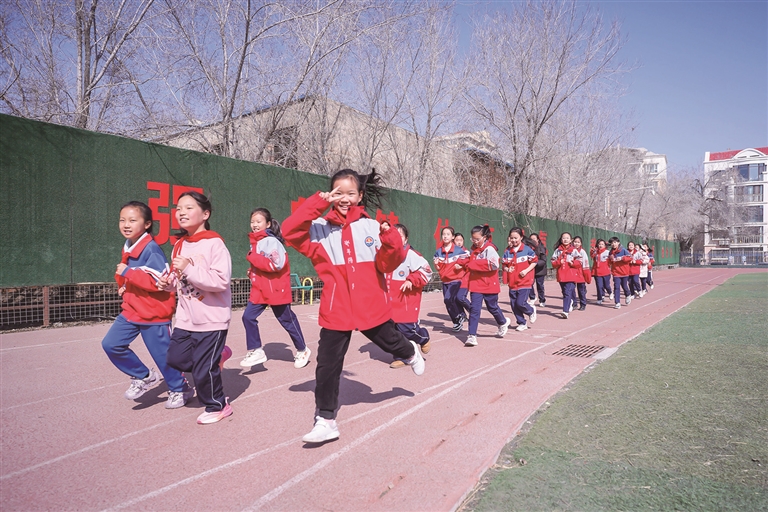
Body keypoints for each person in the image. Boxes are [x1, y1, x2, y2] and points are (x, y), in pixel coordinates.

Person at [282, 168, 425, 444]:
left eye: (351, 193)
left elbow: (388, 264)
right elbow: (289, 231)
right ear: (330, 194)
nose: (345, 199)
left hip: (371, 304)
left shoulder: (372, 227)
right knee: (327, 365)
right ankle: (326, 420)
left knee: (390, 340)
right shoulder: (318, 228)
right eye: (338, 193)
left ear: (360, 196)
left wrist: (391, 241)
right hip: (336, 308)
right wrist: (317, 203)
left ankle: (410, 352)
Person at [101, 201, 193, 409]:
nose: (126, 224)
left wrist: (128, 273)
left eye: (132, 220)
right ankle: (144, 376)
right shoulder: (129, 245)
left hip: (154, 312)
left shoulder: (151, 250)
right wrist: (124, 285)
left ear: (147, 224)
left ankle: (180, 389)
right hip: (132, 309)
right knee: (111, 344)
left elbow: (160, 282)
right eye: (122, 220)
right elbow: (133, 273)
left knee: (163, 357)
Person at [158, 191, 234, 425]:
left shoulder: (214, 243)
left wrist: (189, 269)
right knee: (175, 359)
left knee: (203, 371)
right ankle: (218, 355)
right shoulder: (179, 245)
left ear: (205, 214)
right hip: (186, 318)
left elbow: (221, 281)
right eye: (178, 208)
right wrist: (168, 284)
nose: (181, 212)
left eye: (189, 208)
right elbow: (179, 279)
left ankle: (218, 406)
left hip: (212, 318)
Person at [240, 207, 311, 369]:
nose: (254, 225)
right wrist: (253, 271)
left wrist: (253, 258)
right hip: (260, 290)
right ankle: (257, 350)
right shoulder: (256, 242)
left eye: (258, 221)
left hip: (276, 290)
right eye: (252, 221)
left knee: (287, 320)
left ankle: (302, 350)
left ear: (268, 224)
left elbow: (276, 264)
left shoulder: (271, 242)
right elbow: (263, 264)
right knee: (248, 317)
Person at [386, 223, 433, 368]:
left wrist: (411, 280)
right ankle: (403, 356)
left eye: (400, 236)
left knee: (407, 329)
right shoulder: (384, 255)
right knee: (392, 332)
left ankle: (423, 337)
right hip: (389, 301)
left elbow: (427, 272)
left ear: (406, 239)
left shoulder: (412, 255)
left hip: (406, 300)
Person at [461, 225, 510, 346]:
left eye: (477, 239)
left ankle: (502, 322)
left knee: (492, 307)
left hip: (489, 284)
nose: (475, 241)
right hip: (476, 284)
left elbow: (494, 264)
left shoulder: (490, 249)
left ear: (484, 237)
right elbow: (468, 262)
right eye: (473, 239)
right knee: (474, 310)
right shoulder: (472, 250)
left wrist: (473, 264)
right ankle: (472, 335)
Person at [434, 227, 470, 332]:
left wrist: (461, 266)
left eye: (448, 234)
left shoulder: (459, 251)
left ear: (452, 237)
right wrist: (436, 265)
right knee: (448, 302)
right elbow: (438, 268)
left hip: (456, 280)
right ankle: (457, 321)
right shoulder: (439, 252)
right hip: (445, 281)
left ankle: (463, 314)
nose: (445, 236)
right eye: (443, 234)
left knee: (449, 299)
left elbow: (468, 262)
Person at [501, 228, 538, 331]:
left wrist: (526, 271)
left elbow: (534, 262)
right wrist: (507, 269)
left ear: (521, 237)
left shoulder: (527, 250)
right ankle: (522, 322)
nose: (513, 240)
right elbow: (504, 265)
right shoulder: (508, 252)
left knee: (520, 303)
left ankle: (531, 311)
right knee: (514, 305)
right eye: (511, 238)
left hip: (524, 282)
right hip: (512, 283)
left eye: (516, 238)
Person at [551, 232, 583, 319]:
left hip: (571, 275)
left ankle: (565, 311)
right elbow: (553, 261)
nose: (565, 239)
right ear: (561, 240)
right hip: (561, 275)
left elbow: (580, 261)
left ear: (571, 240)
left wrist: (573, 263)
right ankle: (571, 301)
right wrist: (559, 262)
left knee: (567, 292)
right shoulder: (558, 251)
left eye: (567, 238)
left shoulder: (574, 250)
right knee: (564, 292)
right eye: (564, 238)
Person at [608, 237, 632, 309]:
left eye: (615, 242)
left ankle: (628, 294)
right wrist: (611, 260)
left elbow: (630, 258)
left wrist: (622, 258)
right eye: (612, 243)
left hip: (624, 272)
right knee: (616, 287)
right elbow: (609, 262)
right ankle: (617, 302)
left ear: (618, 243)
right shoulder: (610, 252)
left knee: (624, 286)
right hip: (616, 272)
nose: (613, 244)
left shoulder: (623, 250)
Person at [453, 233, 473, 321]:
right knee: (454, 298)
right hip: (454, 279)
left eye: (461, 240)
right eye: (457, 240)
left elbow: (470, 264)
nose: (459, 242)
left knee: (460, 297)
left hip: (465, 278)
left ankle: (472, 310)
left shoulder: (466, 253)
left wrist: (461, 266)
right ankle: (462, 315)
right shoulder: (450, 253)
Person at [590, 239, 613, 305]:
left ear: (605, 245)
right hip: (597, 272)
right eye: (599, 244)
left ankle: (610, 292)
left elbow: (611, 260)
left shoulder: (607, 252)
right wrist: (593, 251)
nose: (600, 245)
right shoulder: (595, 252)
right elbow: (592, 256)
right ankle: (599, 298)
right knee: (599, 286)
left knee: (606, 285)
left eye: (602, 244)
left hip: (606, 272)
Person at [528, 232, 548, 307]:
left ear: (538, 240)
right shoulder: (527, 248)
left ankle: (542, 300)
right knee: (529, 284)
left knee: (540, 286)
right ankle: (532, 298)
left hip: (540, 270)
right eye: (531, 239)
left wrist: (535, 263)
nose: (532, 240)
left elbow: (543, 260)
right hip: (531, 270)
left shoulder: (541, 248)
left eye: (534, 239)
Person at [572, 236, 590, 311]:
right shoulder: (570, 250)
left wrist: (587, 276)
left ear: (581, 243)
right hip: (572, 272)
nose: (576, 243)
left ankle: (583, 304)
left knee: (581, 290)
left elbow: (585, 264)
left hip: (580, 273)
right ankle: (574, 304)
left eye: (578, 242)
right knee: (571, 289)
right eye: (575, 242)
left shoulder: (582, 252)